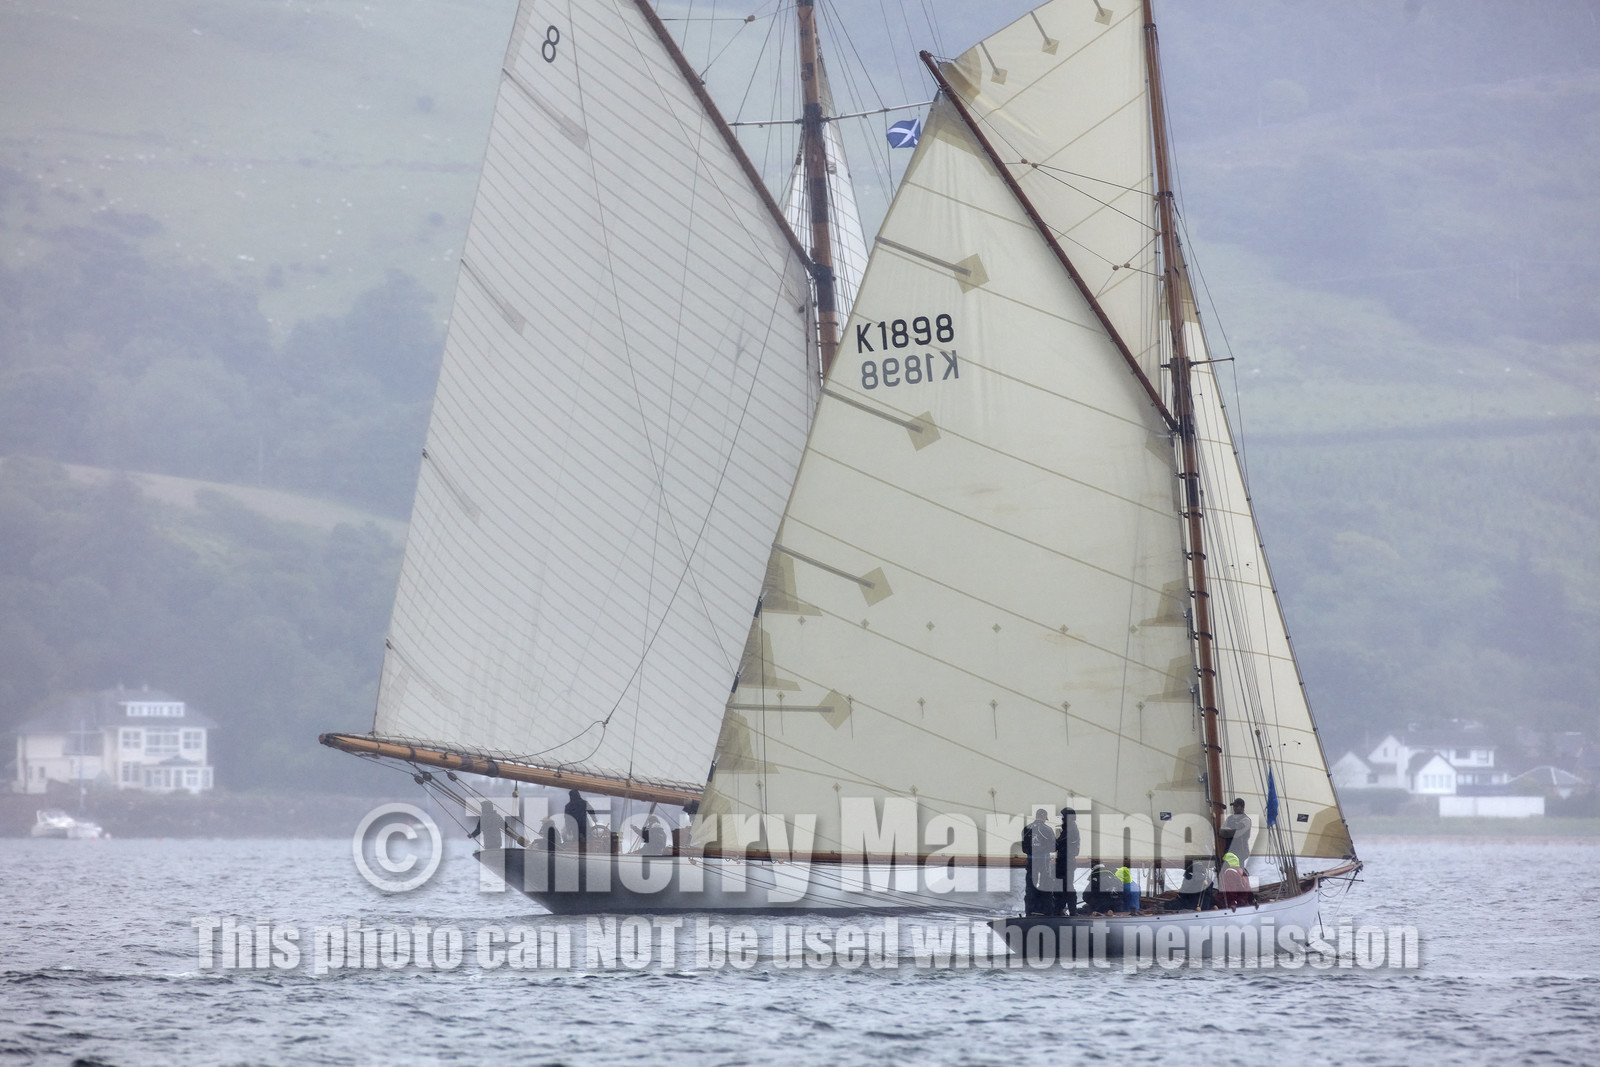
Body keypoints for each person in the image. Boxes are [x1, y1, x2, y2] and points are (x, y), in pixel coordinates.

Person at [1020, 808, 1058, 915]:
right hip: (1043, 862)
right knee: (1045, 886)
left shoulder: (1026, 829)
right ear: (1044, 817)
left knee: (1030, 887)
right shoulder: (1047, 829)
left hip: (1031, 861)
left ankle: (1029, 912)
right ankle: (1046, 911)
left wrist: (1033, 852)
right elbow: (1054, 847)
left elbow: (1024, 849)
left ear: (1036, 816)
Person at [1053, 808, 1081, 915]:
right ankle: (1061, 909)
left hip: (1066, 862)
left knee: (1066, 886)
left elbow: (1059, 843)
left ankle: (1071, 911)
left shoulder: (1071, 829)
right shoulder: (1070, 828)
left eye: (1063, 817)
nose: (1062, 819)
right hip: (1065, 861)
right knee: (1062, 886)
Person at [1220, 798, 1253, 865]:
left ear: (1242, 807)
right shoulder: (1229, 818)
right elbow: (1221, 831)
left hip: (1241, 851)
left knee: (1237, 867)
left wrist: (1227, 831)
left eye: (1237, 806)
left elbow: (1236, 834)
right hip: (1229, 850)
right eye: (1234, 806)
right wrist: (1230, 831)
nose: (1234, 808)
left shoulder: (1246, 820)